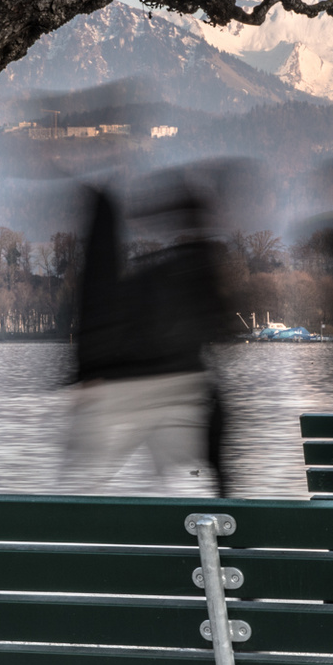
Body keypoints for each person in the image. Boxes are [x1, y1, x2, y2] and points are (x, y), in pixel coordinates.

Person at [68, 172, 233, 494]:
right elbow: (220, 324)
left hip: (119, 390)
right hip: (180, 387)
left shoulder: (148, 280)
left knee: (87, 487)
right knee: (192, 483)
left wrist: (88, 373)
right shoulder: (192, 271)